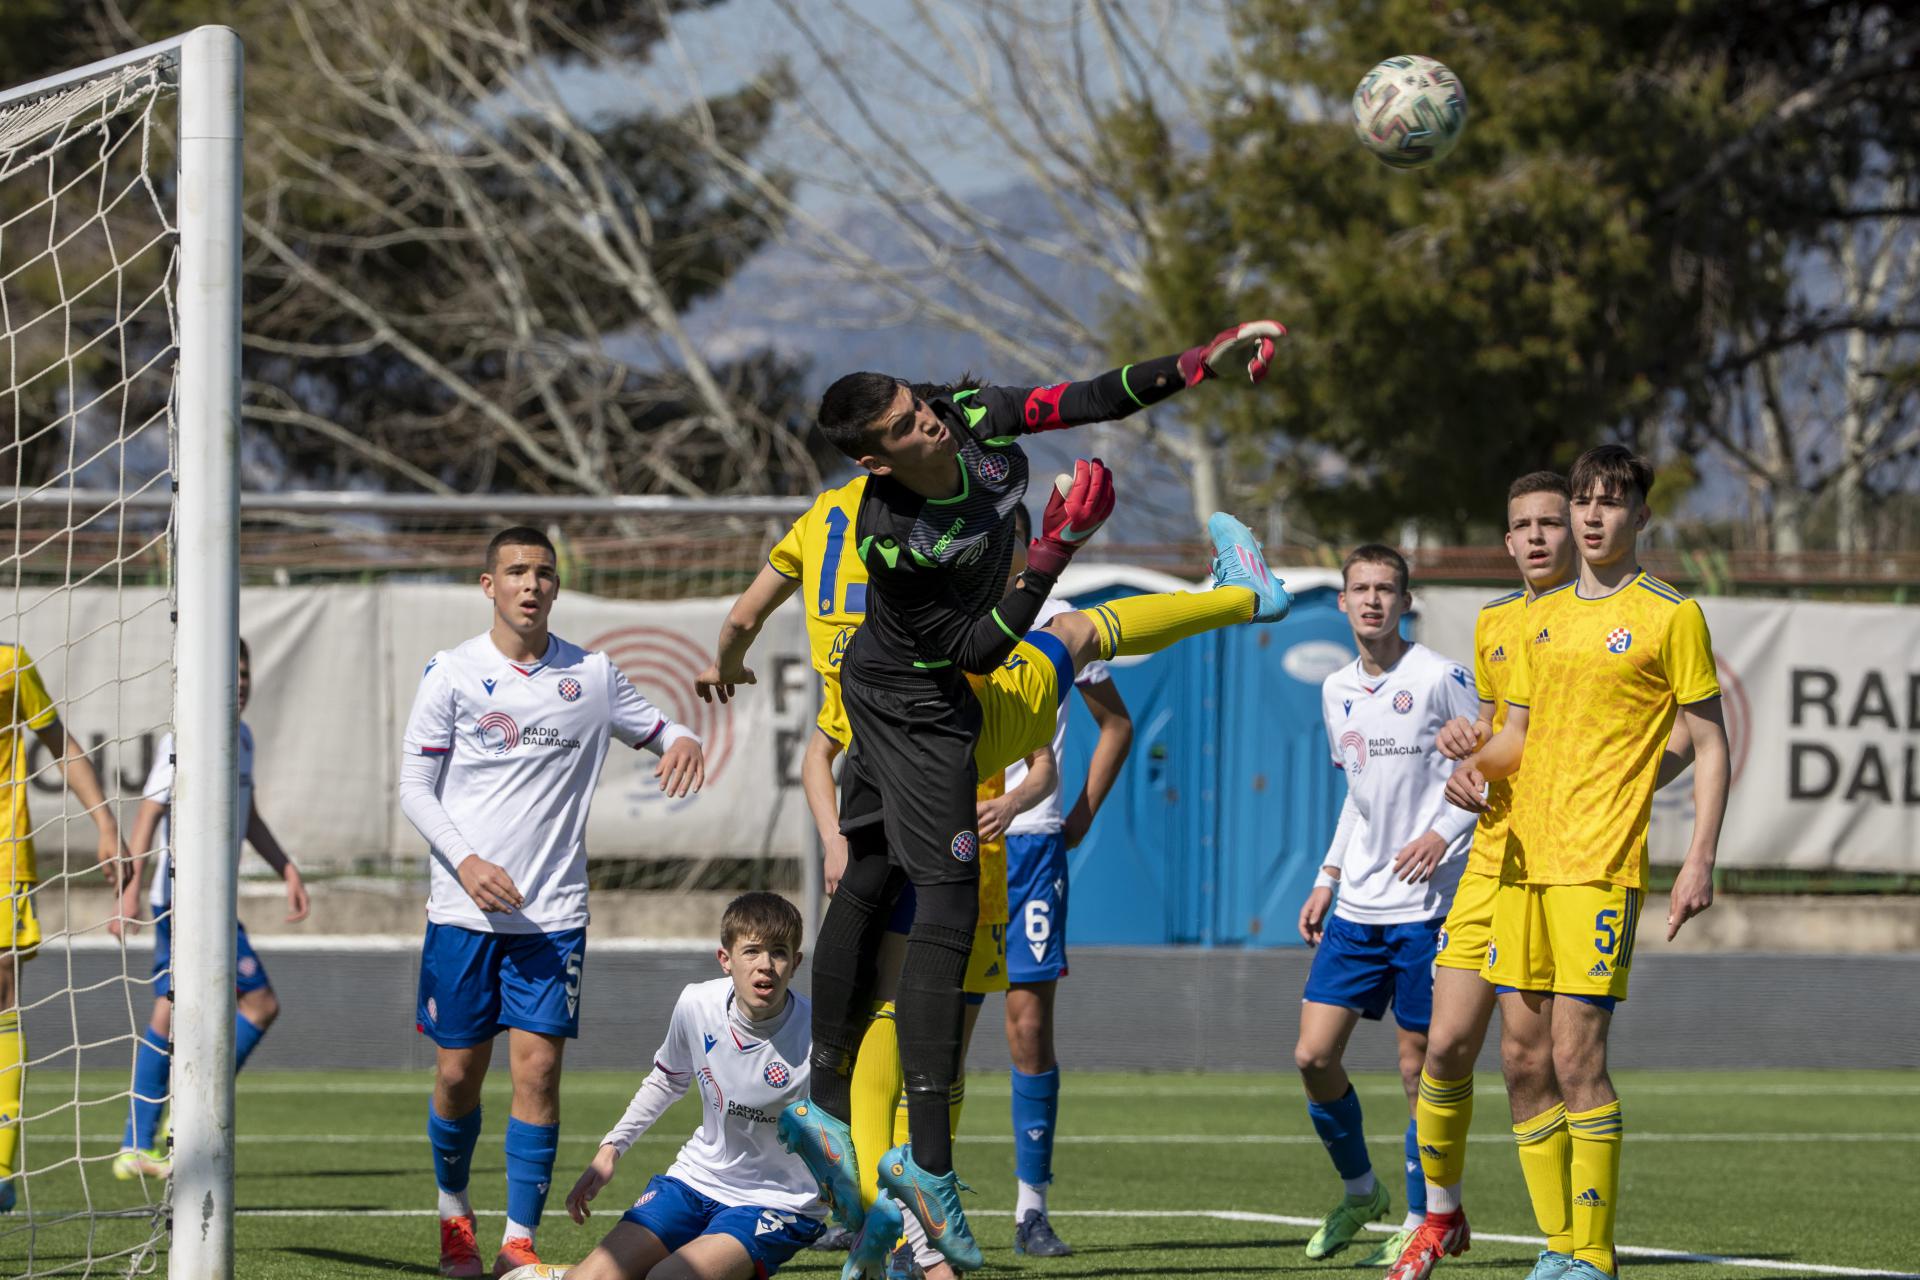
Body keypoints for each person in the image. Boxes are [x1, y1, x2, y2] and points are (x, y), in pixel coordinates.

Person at [780, 326, 1291, 1272]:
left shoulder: (965, 417)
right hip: (941, 712)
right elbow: (980, 647)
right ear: (872, 460)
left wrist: (1198, 364)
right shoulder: (897, 537)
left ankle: (845, 1145)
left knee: (889, 928)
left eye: (919, 403)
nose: (928, 420)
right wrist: (1055, 542)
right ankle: (916, 1173)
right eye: (905, 424)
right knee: (1074, 637)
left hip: (913, 704)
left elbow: (1084, 397)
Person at [1384, 473, 1693, 1280]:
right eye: (1521, 525)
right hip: (1494, 857)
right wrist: (1470, 771)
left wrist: (1614, 792)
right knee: (1444, 1043)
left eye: (1551, 522)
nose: (1538, 538)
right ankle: (1441, 1215)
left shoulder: (1619, 618)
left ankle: (1573, 1246)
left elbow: (1686, 738)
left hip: (1570, 861)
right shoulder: (1495, 626)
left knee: (1533, 1060)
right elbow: (1500, 742)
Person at [401, 526, 707, 1279]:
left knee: (537, 1075)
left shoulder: (594, 674)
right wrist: (466, 861)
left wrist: (686, 738)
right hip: (464, 915)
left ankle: (516, 1243)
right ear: (488, 586)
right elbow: (412, 787)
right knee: (456, 1077)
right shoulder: (451, 674)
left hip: (554, 916)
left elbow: (664, 729)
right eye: (515, 572)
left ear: (557, 587)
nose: (530, 585)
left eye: (543, 573)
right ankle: (454, 1217)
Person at [1294, 545, 1479, 1266]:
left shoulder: (1439, 678)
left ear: (1406, 601)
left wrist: (1441, 834)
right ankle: (1362, 1191)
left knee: (1416, 1068)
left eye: (1386, 589)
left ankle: (1420, 1217)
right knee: (1313, 1056)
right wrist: (1327, 874)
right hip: (1358, 904)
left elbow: (1492, 770)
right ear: (1341, 602)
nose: (1372, 600)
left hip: (1428, 905)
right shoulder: (1336, 688)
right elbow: (1359, 795)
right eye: (1360, 589)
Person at [559, 892, 842, 1280]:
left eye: (778, 953)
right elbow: (667, 1079)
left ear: (795, 962)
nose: (765, 966)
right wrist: (611, 1148)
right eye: (752, 951)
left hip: (779, 1201)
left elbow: (858, 1114)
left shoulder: (820, 1034)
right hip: (696, 1181)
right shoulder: (696, 1003)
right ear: (725, 959)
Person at [112, 638, 312, 1180]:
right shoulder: (186, 737)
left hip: (216, 903)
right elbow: (149, 814)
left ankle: (147, 1135)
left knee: (175, 1008)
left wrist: (286, 868)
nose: (241, 681)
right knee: (254, 1003)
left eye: (246, 672)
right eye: (232, 672)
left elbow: (247, 817)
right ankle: (163, 1125)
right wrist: (130, 888)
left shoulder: (241, 739)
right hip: (179, 899)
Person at [999, 571, 1133, 1260]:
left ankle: (1032, 1209)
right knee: (935, 1021)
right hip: (950, 841)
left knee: (1027, 1022)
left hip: (1030, 846)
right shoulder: (932, 600)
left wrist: (1077, 816)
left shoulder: (1060, 621)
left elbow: (1116, 722)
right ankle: (912, 1202)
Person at [0, 643, 126, 1212]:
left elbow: (62, 746)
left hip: (2, 864)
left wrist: (104, 821)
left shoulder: (10, 663)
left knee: (1, 996)